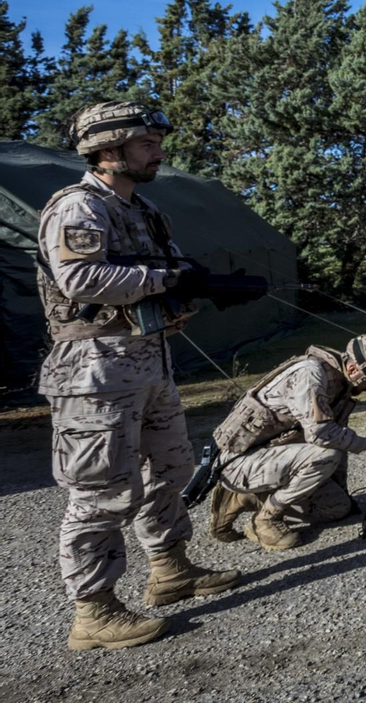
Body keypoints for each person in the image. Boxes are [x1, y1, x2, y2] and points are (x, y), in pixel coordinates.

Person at [36, 101, 242, 651]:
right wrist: (171, 277)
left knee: (168, 470)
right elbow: (81, 278)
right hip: (95, 372)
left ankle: (170, 570)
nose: (158, 152)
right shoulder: (78, 207)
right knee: (101, 491)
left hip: (150, 361)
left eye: (156, 142)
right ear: (109, 151)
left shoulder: (147, 210)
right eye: (146, 144)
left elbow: (166, 277)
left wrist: (205, 289)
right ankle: (94, 611)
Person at [209, 333, 366, 551]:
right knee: (328, 455)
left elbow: (339, 435)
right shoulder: (310, 374)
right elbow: (322, 434)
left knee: (338, 508)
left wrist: (341, 490)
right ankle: (265, 519)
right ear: (354, 369)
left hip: (274, 458)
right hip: (239, 460)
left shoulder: (340, 383)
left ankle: (250, 497)